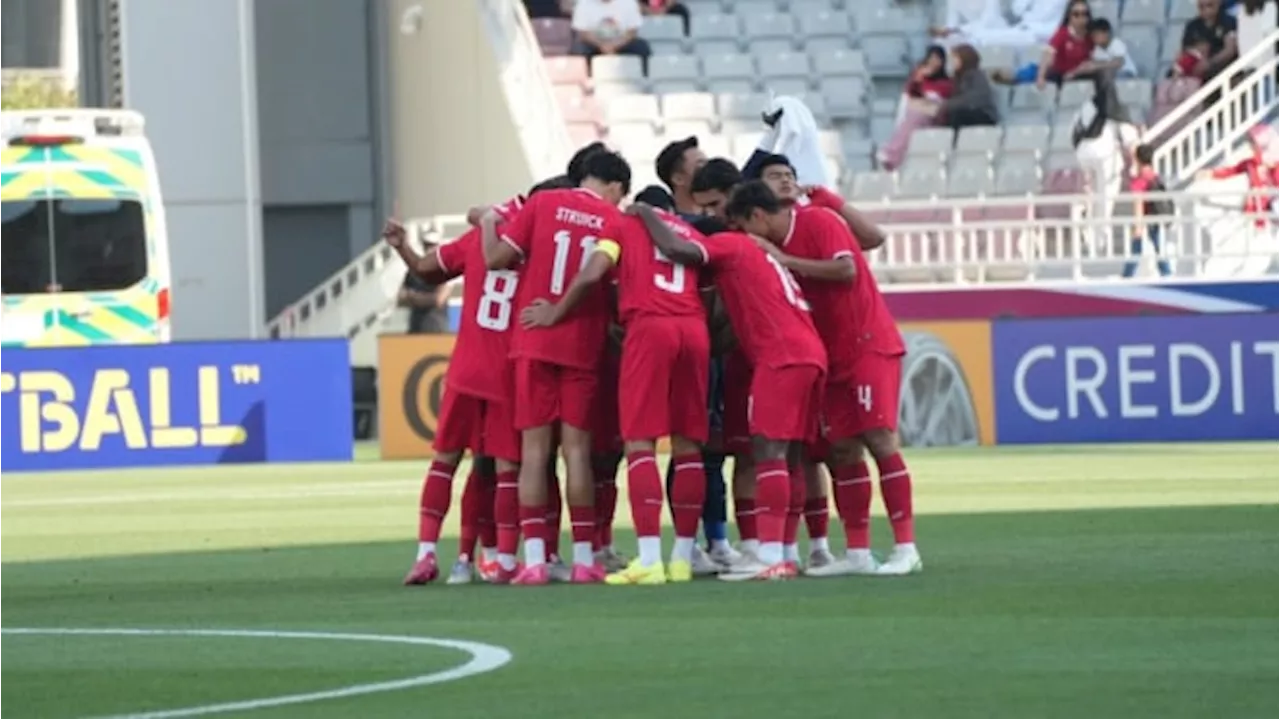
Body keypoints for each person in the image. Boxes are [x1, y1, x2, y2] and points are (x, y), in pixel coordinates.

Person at [726, 181, 920, 577]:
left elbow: (846, 269)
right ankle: (859, 553)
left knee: (879, 439)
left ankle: (906, 546)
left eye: (744, 228)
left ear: (757, 217)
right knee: (843, 450)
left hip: (868, 344)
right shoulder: (770, 250)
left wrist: (784, 260)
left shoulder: (818, 222)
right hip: (830, 356)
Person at [520, 187, 712, 585]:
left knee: (639, 441)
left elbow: (593, 272)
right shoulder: (689, 233)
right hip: (694, 329)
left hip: (649, 325)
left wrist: (556, 311)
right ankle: (681, 558)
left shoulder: (622, 225)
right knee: (688, 443)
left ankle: (648, 559)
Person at [645, 182, 829, 582]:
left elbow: (680, 250)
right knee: (791, 455)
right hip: (809, 353)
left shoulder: (734, 244)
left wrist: (645, 215)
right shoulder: (764, 257)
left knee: (768, 449)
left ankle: (766, 555)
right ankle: (783, 551)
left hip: (781, 357)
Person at [482, 150, 633, 585]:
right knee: (578, 453)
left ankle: (534, 562)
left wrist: (490, 220)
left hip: (533, 341)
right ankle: (584, 559)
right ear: (615, 187)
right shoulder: (613, 221)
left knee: (533, 452)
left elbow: (496, 259)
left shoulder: (542, 204)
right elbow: (599, 278)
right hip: (582, 346)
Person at [390, 200, 526, 587]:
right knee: (506, 470)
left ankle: (427, 554)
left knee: (444, 463)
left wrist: (402, 245)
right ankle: (503, 560)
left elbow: (425, 269)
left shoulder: (476, 240)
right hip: (507, 373)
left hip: (467, 369)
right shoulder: (532, 247)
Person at [1073, 69, 1141, 240]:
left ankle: (1086, 227)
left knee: (1090, 192)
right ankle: (1101, 234)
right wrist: (1135, 164)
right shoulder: (1116, 109)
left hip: (1083, 152)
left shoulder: (1086, 106)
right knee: (1107, 193)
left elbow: (1074, 131)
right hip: (1105, 154)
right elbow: (1130, 139)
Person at [878, 46, 953, 170]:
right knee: (911, 114)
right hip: (918, 110)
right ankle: (894, 154)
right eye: (931, 59)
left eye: (937, 59)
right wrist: (919, 77)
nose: (934, 63)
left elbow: (945, 98)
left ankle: (892, 153)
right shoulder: (920, 77)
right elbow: (911, 93)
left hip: (935, 113)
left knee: (914, 117)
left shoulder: (946, 82)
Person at [1124, 144, 1175, 278]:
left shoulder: (1139, 180)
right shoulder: (1155, 176)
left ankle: (1127, 276)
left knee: (1137, 249)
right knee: (1159, 249)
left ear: (1137, 159)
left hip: (1148, 217)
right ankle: (1166, 273)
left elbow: (1138, 204)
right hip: (1158, 216)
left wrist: (1137, 227)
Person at [936, 44, 1000, 130]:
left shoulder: (977, 75)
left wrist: (946, 105)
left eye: (955, 58)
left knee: (957, 114)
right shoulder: (957, 77)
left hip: (982, 114)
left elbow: (974, 98)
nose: (952, 62)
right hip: (965, 113)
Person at [571, 0, 651, 67]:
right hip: (595, 44)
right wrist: (602, 45)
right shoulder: (584, 3)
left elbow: (632, 31)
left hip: (621, 43)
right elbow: (583, 33)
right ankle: (587, 80)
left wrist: (615, 45)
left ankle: (642, 79)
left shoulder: (629, 2)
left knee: (641, 47)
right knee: (579, 50)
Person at [1035, 0, 1094, 88]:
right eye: (1076, 14)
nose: (1080, 18)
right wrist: (1041, 76)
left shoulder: (1092, 36)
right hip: (1056, 75)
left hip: (1078, 76)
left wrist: (1075, 72)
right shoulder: (1062, 33)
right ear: (1069, 16)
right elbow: (1049, 54)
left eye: (1084, 14)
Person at [1180, 0, 1239, 81]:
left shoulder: (1229, 22)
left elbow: (1229, 50)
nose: (1206, 10)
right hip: (1194, 68)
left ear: (1218, 3)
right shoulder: (1192, 26)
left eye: (1210, 5)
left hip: (1220, 68)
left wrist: (1209, 63)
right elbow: (1185, 50)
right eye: (1201, 7)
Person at [656, 136, 709, 220]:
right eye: (700, 166)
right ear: (678, 179)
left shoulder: (723, 218)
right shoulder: (664, 222)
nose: (710, 171)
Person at [398, 270, 451, 334]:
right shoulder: (412, 271)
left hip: (436, 328)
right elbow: (400, 296)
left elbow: (438, 299)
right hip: (415, 327)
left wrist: (413, 297)